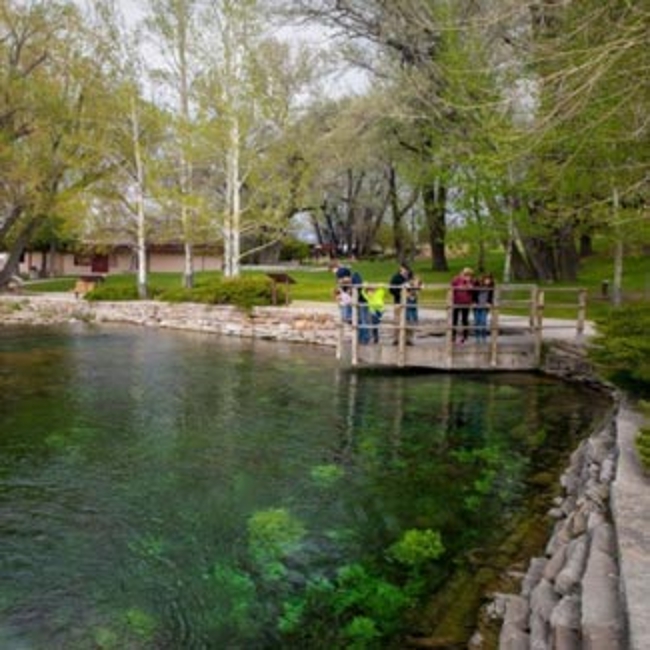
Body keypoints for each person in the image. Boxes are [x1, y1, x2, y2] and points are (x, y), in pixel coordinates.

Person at [389, 263, 413, 344]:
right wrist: (400, 291)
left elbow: (414, 287)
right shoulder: (396, 278)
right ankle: (396, 339)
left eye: (407, 269)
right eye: (404, 269)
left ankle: (408, 339)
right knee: (398, 321)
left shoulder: (409, 277)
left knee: (409, 321)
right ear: (401, 269)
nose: (406, 271)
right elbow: (391, 290)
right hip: (398, 302)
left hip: (409, 302)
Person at [451, 267, 474, 343]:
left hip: (466, 303)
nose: (466, 275)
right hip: (456, 302)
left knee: (464, 319)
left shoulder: (470, 281)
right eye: (465, 274)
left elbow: (472, 290)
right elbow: (452, 286)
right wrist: (458, 280)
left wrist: (468, 283)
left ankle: (465, 336)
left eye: (468, 274)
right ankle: (453, 335)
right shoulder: (456, 279)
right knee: (455, 319)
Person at [473, 272, 495, 343]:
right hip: (477, 306)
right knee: (477, 322)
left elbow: (491, 297)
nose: (488, 281)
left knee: (483, 322)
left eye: (489, 280)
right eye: (487, 280)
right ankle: (477, 338)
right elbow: (474, 294)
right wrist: (474, 302)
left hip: (484, 306)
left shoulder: (491, 287)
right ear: (483, 279)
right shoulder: (478, 285)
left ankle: (484, 337)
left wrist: (489, 303)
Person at [405, 275, 423, 345]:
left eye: (417, 282)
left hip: (414, 307)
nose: (416, 283)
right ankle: (407, 338)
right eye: (415, 281)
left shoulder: (417, 288)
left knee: (414, 320)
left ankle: (411, 338)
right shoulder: (408, 286)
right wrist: (411, 291)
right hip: (408, 307)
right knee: (408, 320)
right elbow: (407, 294)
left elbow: (422, 287)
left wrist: (418, 286)